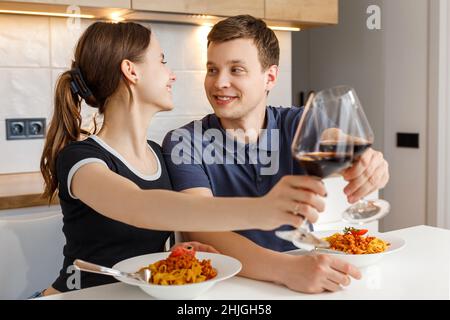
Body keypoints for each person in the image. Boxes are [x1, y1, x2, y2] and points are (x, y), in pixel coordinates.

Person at [38, 21, 319, 296]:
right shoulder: (80, 160)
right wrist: (262, 210)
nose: (172, 74)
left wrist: (175, 253)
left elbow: (167, 221)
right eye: (161, 61)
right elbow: (140, 206)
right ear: (131, 71)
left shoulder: (159, 155)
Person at [162, 15, 389, 293]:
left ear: (270, 77)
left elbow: (335, 140)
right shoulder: (184, 141)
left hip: (304, 272)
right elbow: (201, 227)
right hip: (224, 284)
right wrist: (285, 270)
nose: (219, 82)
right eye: (212, 69)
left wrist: (365, 158)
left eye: (236, 70)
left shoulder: (296, 123)